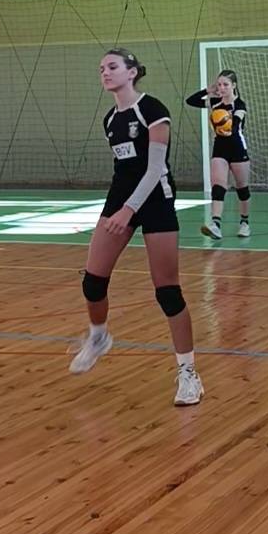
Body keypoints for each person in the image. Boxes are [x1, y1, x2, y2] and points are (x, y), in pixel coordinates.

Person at [69, 48, 203, 406]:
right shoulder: (110, 119)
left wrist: (129, 211)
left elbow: (155, 168)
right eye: (101, 68)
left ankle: (188, 373)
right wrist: (121, 208)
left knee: (168, 292)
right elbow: (125, 169)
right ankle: (99, 337)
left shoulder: (152, 109)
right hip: (120, 198)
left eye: (112, 66)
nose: (105, 72)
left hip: (156, 200)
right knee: (92, 282)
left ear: (132, 72)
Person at [186, 69, 251, 239]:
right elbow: (191, 101)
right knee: (218, 186)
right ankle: (215, 224)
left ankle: (244, 223)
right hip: (220, 148)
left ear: (234, 86)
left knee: (242, 188)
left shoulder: (239, 105)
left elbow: (236, 123)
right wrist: (207, 90)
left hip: (237, 148)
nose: (221, 88)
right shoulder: (214, 102)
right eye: (219, 84)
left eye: (225, 85)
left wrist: (229, 127)